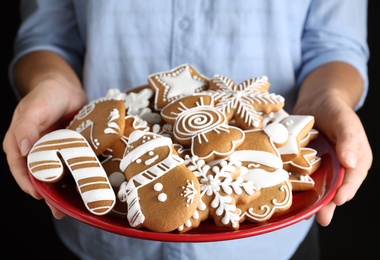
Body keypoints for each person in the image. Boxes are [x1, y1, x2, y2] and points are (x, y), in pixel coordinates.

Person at [3, 1, 372, 259]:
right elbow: (46, 38)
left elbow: (334, 46)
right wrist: (51, 81)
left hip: (271, 245)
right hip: (98, 233)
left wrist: (329, 96)